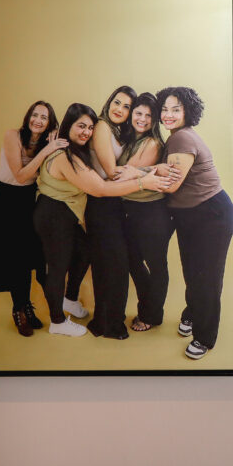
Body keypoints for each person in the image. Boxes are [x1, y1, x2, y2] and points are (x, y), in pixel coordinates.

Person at [33, 103, 168, 337]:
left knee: (85, 252)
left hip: (67, 213)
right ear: (69, 125)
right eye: (81, 126)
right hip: (53, 214)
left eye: (89, 128)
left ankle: (69, 299)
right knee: (57, 268)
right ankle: (57, 321)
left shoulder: (75, 149)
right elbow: (100, 189)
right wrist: (143, 181)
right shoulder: (66, 155)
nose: (86, 132)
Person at [158, 86, 233, 360]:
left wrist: (135, 172)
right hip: (189, 215)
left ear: (187, 111)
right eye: (164, 109)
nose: (168, 114)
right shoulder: (176, 136)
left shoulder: (182, 138)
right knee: (192, 272)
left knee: (207, 278)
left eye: (175, 109)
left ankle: (205, 337)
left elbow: (171, 184)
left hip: (210, 214)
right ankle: (192, 313)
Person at [0, 101, 66, 336]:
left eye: (44, 117)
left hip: (30, 199)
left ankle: (27, 306)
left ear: (49, 123)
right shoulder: (12, 135)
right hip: (7, 200)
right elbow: (21, 176)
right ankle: (19, 310)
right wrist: (47, 150)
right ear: (28, 116)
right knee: (15, 258)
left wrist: (52, 143)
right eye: (35, 115)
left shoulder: (46, 142)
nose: (38, 120)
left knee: (31, 257)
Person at [116, 92, 175, 332]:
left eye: (148, 115)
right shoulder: (132, 140)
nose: (142, 119)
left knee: (156, 265)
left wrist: (126, 171)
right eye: (138, 113)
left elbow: (122, 175)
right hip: (133, 210)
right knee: (134, 261)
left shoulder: (152, 143)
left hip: (152, 212)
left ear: (155, 120)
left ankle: (152, 315)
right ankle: (147, 309)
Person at [85, 85, 138, 339]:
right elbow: (111, 171)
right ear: (109, 102)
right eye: (117, 102)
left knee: (112, 264)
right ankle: (108, 323)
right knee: (111, 264)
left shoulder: (118, 131)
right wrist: (147, 174)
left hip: (114, 202)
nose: (120, 109)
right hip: (100, 202)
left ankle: (105, 320)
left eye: (127, 106)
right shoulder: (102, 126)